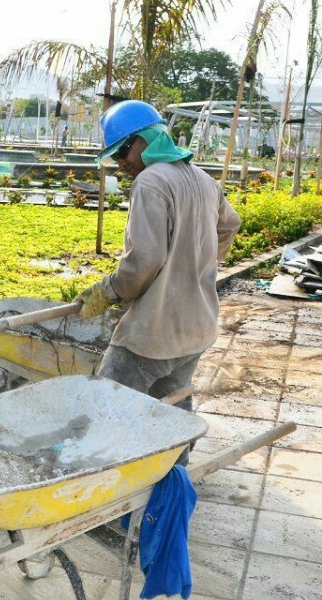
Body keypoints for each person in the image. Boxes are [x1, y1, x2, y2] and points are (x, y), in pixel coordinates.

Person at [75, 101, 240, 464]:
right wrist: (200, 265)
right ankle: (171, 480)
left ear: (143, 141)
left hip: (154, 332)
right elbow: (230, 224)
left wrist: (108, 291)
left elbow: (144, 260)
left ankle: (102, 484)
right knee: (174, 412)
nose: (120, 163)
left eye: (121, 151)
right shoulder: (202, 179)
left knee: (108, 407)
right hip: (195, 328)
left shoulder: (152, 181)